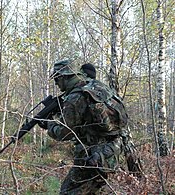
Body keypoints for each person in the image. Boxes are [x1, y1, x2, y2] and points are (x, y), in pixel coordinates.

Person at [47, 59, 126, 194]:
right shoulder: (97, 86)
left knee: (68, 192)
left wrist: (50, 126)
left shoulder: (75, 97)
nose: (56, 83)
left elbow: (65, 133)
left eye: (57, 79)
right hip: (113, 150)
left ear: (65, 77)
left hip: (92, 156)